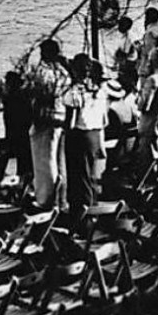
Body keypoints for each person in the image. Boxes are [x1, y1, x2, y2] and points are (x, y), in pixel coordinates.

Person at [24, 40, 71, 210]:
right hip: (61, 116)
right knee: (59, 161)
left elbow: (37, 95)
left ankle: (45, 198)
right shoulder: (64, 72)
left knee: (44, 161)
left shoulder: (44, 72)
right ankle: (61, 197)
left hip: (45, 118)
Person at [63, 55, 108, 217]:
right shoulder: (99, 92)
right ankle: (92, 210)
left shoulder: (74, 92)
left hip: (79, 136)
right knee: (91, 177)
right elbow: (104, 120)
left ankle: (81, 217)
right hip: (95, 135)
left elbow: (71, 121)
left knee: (78, 179)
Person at [134, 48, 158, 175]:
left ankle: (145, 176)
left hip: (150, 119)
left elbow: (144, 105)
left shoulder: (152, 80)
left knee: (145, 148)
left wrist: (139, 96)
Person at [0, 71, 33, 188]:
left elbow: (10, 121)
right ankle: (24, 185)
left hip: (17, 134)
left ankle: (22, 186)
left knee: (22, 161)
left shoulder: (11, 99)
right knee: (24, 161)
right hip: (24, 134)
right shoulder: (23, 97)